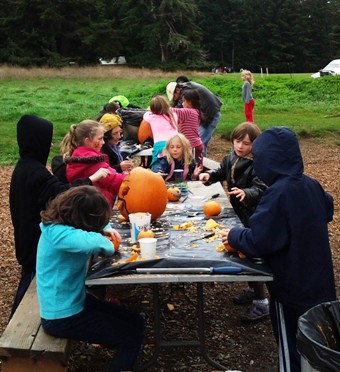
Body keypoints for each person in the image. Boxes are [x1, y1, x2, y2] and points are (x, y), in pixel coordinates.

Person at [223, 126, 336, 371]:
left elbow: (259, 241)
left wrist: (234, 234)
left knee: (292, 346)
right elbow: (328, 208)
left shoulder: (278, 194)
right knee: (316, 341)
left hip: (292, 290)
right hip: (320, 283)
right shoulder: (310, 185)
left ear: (268, 162)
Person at [9, 114, 110, 318]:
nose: (50, 143)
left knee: (30, 276)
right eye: (48, 139)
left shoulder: (24, 166)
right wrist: (91, 179)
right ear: (37, 141)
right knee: (31, 278)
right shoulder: (35, 172)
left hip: (26, 233)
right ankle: (16, 327)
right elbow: (64, 194)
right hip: (34, 236)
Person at [36, 186, 144, 372]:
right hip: (62, 317)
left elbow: (96, 229)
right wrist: (105, 237)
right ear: (84, 219)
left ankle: (114, 344)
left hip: (74, 301)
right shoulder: (61, 235)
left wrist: (106, 228)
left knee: (136, 321)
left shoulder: (62, 224)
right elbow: (101, 245)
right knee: (131, 337)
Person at [199, 122, 269, 322]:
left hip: (252, 215)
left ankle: (262, 302)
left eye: (246, 143)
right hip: (239, 213)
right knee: (242, 251)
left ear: (256, 145)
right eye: (238, 141)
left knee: (250, 255)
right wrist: (209, 176)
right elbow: (222, 172)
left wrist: (246, 193)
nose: (240, 146)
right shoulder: (231, 157)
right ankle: (251, 289)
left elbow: (261, 188)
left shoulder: (258, 165)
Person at [62, 120, 126, 208]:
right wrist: (134, 177)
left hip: (85, 205)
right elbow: (115, 180)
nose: (103, 142)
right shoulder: (91, 161)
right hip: (96, 207)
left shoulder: (78, 156)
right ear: (87, 141)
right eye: (100, 139)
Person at [175, 75, 223, 157]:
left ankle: (200, 165)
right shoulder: (188, 86)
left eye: (174, 96)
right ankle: (202, 163)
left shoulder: (186, 90)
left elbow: (179, 108)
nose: (175, 99)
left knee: (199, 143)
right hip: (209, 112)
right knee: (201, 142)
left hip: (211, 114)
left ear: (176, 90)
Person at [143, 95, 178, 171]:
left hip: (160, 145)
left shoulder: (151, 117)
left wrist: (150, 112)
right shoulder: (174, 116)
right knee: (174, 166)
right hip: (175, 143)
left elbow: (145, 115)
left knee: (157, 167)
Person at [172, 89, 205, 165]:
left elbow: (171, 110)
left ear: (189, 102)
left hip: (193, 146)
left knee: (193, 168)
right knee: (194, 168)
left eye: (184, 101)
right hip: (195, 145)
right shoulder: (196, 111)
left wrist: (159, 107)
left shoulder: (188, 112)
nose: (182, 104)